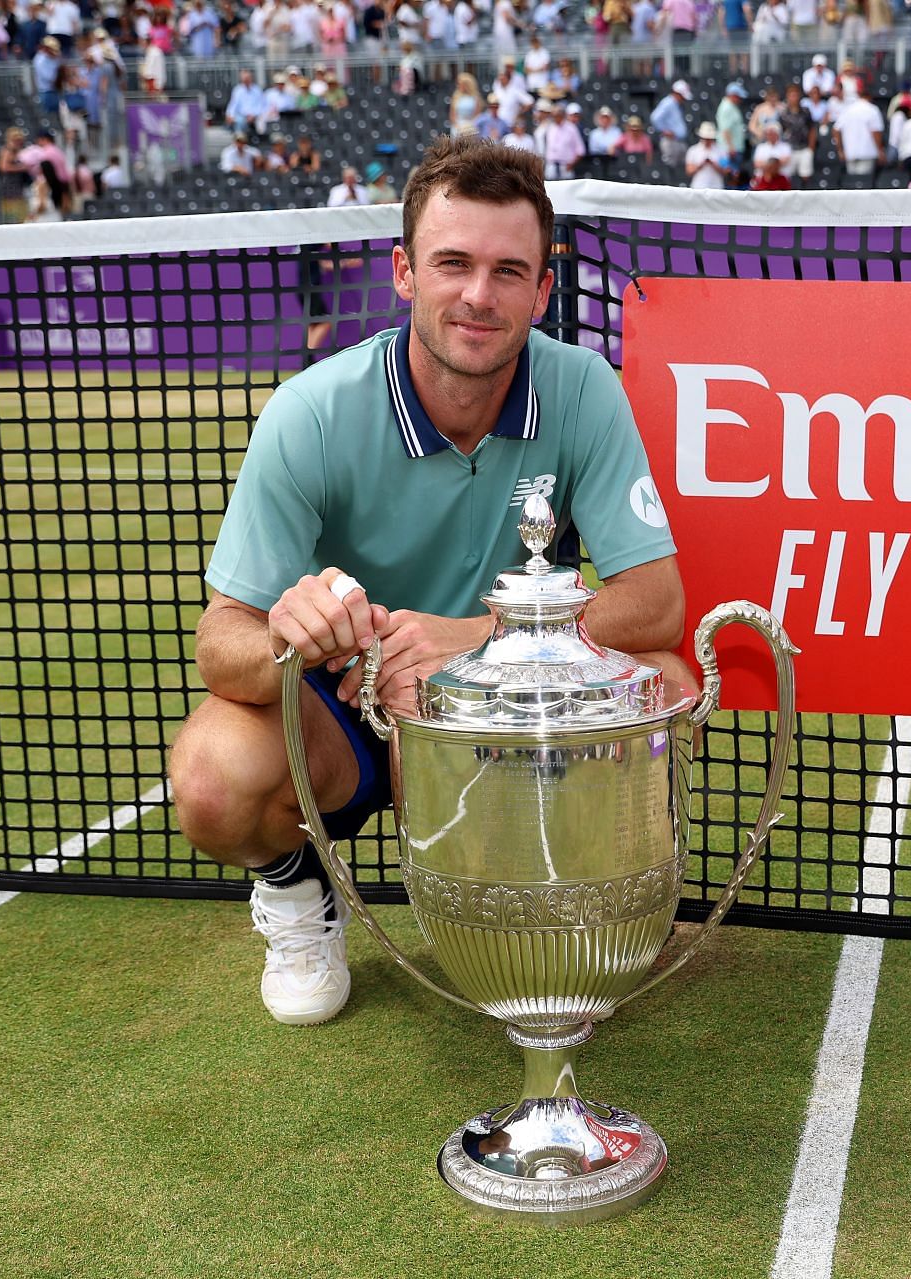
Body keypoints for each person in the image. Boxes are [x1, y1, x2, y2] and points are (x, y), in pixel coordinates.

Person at [168, 137, 685, 1026]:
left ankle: (562, 911)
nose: (479, 296)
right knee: (215, 778)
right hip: (349, 708)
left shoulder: (584, 389)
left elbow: (659, 602)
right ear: (405, 272)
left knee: (671, 687)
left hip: (512, 709)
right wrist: (298, 640)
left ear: (542, 290)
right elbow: (223, 642)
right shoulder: (312, 412)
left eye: (507, 270)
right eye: (453, 263)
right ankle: (299, 893)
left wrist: (477, 640)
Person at [685, 120, 728, 189]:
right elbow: (689, 171)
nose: (707, 141)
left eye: (709, 138)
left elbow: (726, 171)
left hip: (716, 187)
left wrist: (713, 164)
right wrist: (700, 165)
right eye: (705, 138)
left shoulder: (721, 151)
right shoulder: (693, 150)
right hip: (698, 187)